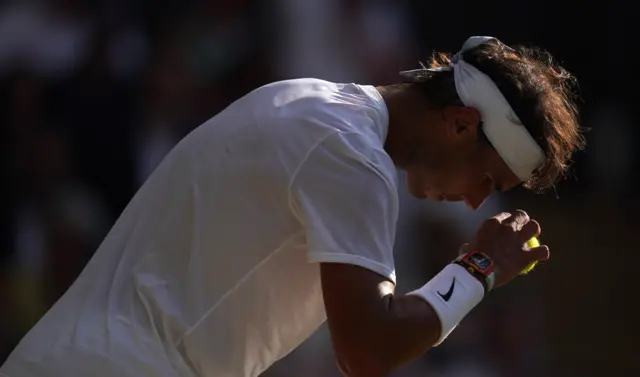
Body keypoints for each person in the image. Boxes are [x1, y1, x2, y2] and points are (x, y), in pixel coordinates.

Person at [0, 36, 584, 377]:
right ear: (460, 124)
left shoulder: (301, 98)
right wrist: (479, 270)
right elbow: (368, 349)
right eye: (486, 177)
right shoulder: (352, 156)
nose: (476, 199)